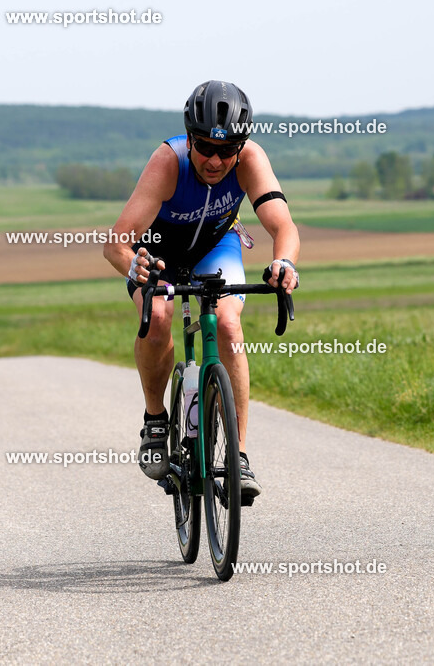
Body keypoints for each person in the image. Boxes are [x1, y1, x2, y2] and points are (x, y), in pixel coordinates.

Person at [103, 80, 300, 499]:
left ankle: (238, 456)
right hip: (158, 252)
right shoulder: (168, 161)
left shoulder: (250, 159)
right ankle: (156, 421)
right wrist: (135, 265)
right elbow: (116, 243)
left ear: (240, 147)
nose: (215, 160)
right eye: (206, 147)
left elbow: (283, 225)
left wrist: (284, 262)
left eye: (226, 151)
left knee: (228, 326)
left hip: (216, 246)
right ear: (190, 138)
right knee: (158, 316)